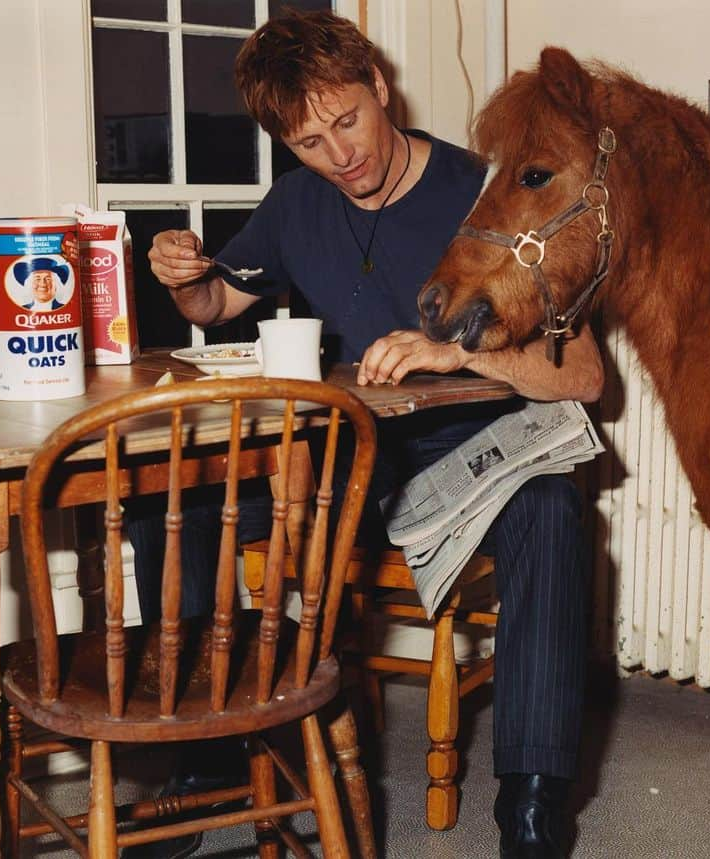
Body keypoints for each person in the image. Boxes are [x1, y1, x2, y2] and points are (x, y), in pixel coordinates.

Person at [133, 10, 603, 858]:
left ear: (380, 88)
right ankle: (202, 765)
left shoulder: (483, 190)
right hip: (347, 457)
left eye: (348, 121)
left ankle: (531, 816)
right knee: (169, 499)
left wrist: (457, 350)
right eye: (310, 141)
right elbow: (214, 305)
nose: (339, 153)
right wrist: (184, 274)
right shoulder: (296, 203)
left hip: (470, 454)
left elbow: (584, 375)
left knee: (554, 510)